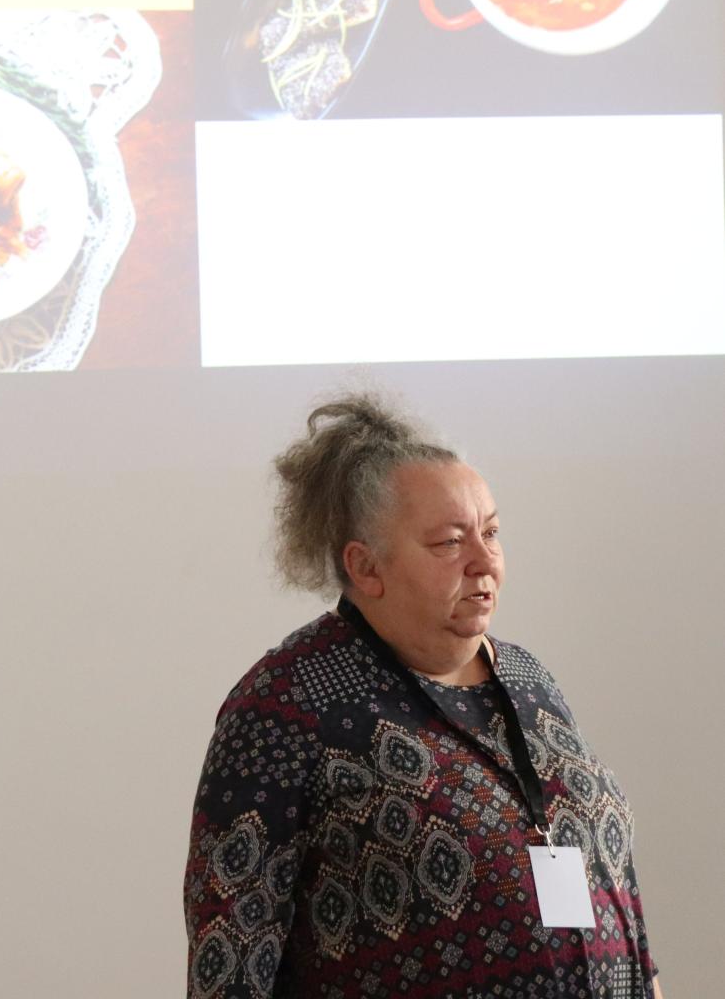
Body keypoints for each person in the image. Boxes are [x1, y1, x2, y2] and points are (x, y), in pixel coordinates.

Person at [184, 394, 662, 999]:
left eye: (491, 533)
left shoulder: (530, 679)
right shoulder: (287, 706)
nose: (484, 561)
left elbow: (618, 900)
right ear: (366, 567)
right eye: (449, 543)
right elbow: (230, 959)